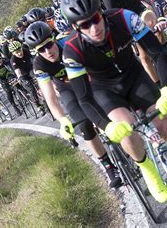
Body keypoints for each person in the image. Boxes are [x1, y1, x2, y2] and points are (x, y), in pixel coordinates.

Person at [60, 0, 167, 209]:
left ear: (101, 12)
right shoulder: (71, 51)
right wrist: (106, 126)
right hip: (105, 90)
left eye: (95, 19)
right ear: (75, 28)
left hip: (134, 77)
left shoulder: (124, 18)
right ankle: (146, 167)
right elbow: (84, 98)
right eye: (84, 25)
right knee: (126, 131)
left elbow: (159, 53)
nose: (93, 27)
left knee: (166, 125)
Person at [24, 21, 122, 188]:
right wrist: (62, 120)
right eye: (41, 49)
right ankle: (108, 166)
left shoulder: (68, 43)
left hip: (89, 80)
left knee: (105, 107)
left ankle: (125, 143)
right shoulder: (39, 65)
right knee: (84, 124)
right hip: (67, 90)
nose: (47, 52)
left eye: (48, 45)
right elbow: (50, 99)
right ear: (36, 52)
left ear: (54, 39)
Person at [100, 0, 166, 85]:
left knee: (152, 20)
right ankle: (159, 86)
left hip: (140, 13)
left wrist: (161, 18)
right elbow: (113, 19)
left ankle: (164, 51)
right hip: (126, 24)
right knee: (144, 58)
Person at [0, 51, 21, 116]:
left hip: (8, 74)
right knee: (8, 91)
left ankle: (22, 93)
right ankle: (14, 107)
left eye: (0, 58)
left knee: (16, 81)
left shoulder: (5, 61)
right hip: (0, 78)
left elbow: (12, 69)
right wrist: (2, 83)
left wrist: (16, 76)